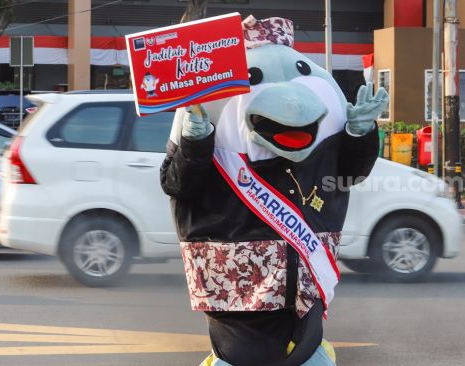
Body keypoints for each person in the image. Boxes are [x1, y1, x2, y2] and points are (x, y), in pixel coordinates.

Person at [160, 16, 388, 366]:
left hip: (301, 286)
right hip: (237, 290)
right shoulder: (213, 144)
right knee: (238, 357)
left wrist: (360, 133)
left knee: (309, 354)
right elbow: (179, 185)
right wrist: (195, 141)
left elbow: (348, 173)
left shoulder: (318, 150)